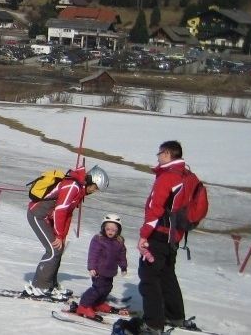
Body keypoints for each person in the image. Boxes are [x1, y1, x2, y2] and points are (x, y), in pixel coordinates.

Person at [136, 141, 199, 334]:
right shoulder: (189, 176)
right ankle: (175, 316)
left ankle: (153, 324)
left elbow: (155, 209)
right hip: (174, 236)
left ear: (168, 153)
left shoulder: (168, 177)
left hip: (159, 234)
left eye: (160, 153)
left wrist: (144, 235)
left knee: (149, 276)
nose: (157, 156)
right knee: (167, 274)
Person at [25, 165, 108, 299]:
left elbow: (68, 215)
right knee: (53, 250)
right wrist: (58, 234)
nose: (94, 191)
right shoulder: (73, 187)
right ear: (91, 181)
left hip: (46, 217)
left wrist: (62, 236)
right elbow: (60, 210)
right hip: (37, 215)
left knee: (59, 248)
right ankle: (39, 286)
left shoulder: (79, 190)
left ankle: (50, 285)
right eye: (95, 188)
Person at [73, 214, 128, 319]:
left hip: (110, 272)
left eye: (113, 230)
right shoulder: (99, 239)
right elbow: (93, 254)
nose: (110, 232)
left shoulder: (119, 242)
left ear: (118, 230)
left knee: (107, 288)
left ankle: (98, 304)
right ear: (103, 228)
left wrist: (123, 267)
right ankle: (84, 305)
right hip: (98, 271)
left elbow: (122, 256)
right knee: (97, 289)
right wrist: (92, 267)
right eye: (108, 229)